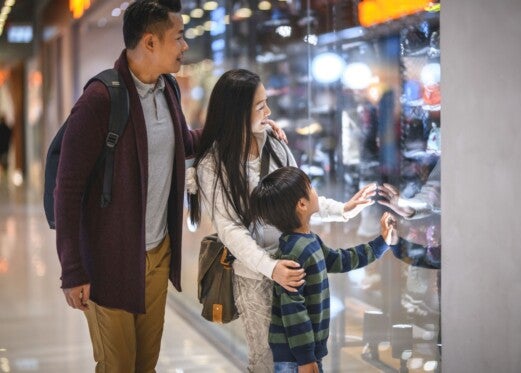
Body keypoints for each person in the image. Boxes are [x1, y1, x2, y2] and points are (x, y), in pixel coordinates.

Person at [187, 68, 378, 372]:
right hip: (256, 278)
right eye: (260, 106)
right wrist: (271, 268)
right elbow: (230, 230)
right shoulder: (213, 166)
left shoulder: (275, 145)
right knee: (267, 362)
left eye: (267, 103)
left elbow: (300, 196)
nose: (269, 111)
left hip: (296, 268)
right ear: (236, 113)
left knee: (306, 357)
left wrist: (342, 210)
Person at [54, 1, 200, 371]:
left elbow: (185, 142)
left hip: (157, 253)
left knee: (145, 365)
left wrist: (241, 126)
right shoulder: (100, 99)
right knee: (118, 365)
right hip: (108, 258)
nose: (185, 46)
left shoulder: (168, 89)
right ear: (150, 42)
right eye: (178, 37)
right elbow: (67, 189)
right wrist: (73, 269)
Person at [250, 166, 399, 373]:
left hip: (305, 353)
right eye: (310, 187)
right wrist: (305, 359)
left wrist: (380, 244)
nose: (315, 191)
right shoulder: (295, 252)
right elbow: (293, 311)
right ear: (302, 204)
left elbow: (341, 260)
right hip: (295, 358)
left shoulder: (309, 241)